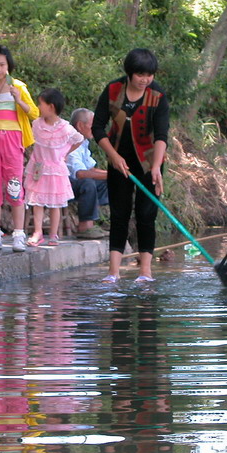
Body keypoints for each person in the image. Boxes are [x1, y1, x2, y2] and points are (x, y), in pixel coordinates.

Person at [91, 48, 169, 283]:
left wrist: (156, 167)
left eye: (150, 75)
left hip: (148, 162)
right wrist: (113, 157)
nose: (145, 80)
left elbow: (162, 135)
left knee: (146, 214)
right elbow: (97, 127)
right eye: (140, 75)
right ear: (129, 73)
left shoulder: (158, 95)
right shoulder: (114, 89)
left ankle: (145, 272)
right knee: (119, 214)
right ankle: (113, 272)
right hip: (119, 160)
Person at [0, 45, 40, 252]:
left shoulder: (18, 86)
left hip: (13, 139)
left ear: (8, 65)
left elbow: (35, 113)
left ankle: (18, 235)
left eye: (2, 64)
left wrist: (19, 100)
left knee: (14, 186)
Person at [23, 88, 83, 247]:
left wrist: (65, 153)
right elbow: (30, 141)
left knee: (56, 203)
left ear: (51, 106)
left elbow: (79, 139)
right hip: (38, 167)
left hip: (56, 169)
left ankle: (53, 233)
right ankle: (37, 232)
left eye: (40, 104)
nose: (38, 107)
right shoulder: (36, 124)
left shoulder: (65, 128)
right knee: (37, 201)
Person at [66, 108, 109, 239]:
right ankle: (85, 226)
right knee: (88, 183)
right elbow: (80, 174)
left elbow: (91, 168)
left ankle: (96, 221)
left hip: (77, 182)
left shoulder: (84, 142)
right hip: (63, 184)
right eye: (92, 125)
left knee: (112, 183)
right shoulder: (72, 141)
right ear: (80, 125)